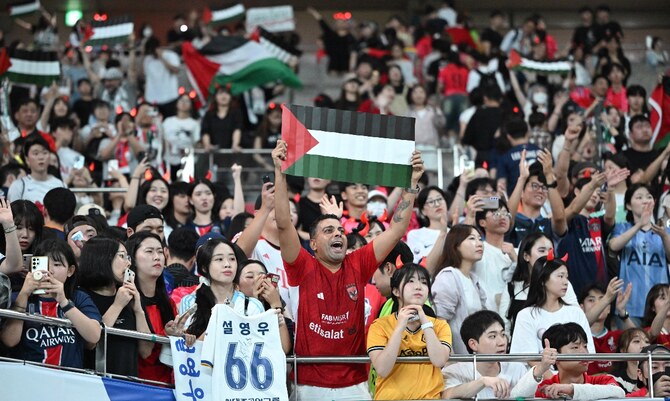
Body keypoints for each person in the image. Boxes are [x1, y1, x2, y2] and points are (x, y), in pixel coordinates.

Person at [272, 139, 424, 399]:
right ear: (314, 244)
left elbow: (397, 229)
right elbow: (284, 224)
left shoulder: (358, 263)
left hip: (355, 384)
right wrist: (279, 170)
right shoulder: (302, 265)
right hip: (309, 383)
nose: (339, 235)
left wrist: (411, 185)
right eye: (329, 231)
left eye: (341, 230)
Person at [1, 239, 101, 368]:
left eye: (57, 264)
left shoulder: (78, 298)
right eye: (44, 264)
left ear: (70, 271)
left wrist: (64, 302)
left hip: (69, 380)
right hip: (28, 378)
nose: (50, 271)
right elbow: (10, 341)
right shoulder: (18, 297)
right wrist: (24, 294)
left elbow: (93, 336)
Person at [367, 264, 451, 400]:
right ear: (395, 291)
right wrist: (400, 327)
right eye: (410, 281)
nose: (418, 286)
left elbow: (439, 360)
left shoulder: (440, 326)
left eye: (424, 282)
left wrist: (424, 320)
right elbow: (382, 369)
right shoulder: (379, 326)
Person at [76, 237, 152, 376]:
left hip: (127, 385)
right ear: (102, 258)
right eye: (122, 256)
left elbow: (146, 352)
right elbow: (90, 343)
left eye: (128, 257)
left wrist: (138, 310)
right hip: (94, 385)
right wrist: (117, 305)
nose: (128, 263)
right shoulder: (80, 296)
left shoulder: (130, 295)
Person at [443, 310, 557, 399]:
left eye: (503, 334)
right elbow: (447, 395)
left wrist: (541, 368)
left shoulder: (516, 368)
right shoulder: (455, 371)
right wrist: (483, 381)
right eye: (492, 336)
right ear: (473, 344)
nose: (502, 342)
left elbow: (520, 395)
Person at [510, 251, 596, 358]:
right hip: (541, 374)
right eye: (560, 276)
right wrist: (553, 375)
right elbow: (529, 358)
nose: (566, 282)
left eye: (566, 277)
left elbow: (589, 352)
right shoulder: (526, 316)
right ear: (542, 280)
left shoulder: (576, 313)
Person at [609, 183, 670, 323]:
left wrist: (665, 236)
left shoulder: (664, 231)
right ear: (629, 206)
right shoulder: (622, 227)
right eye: (639, 197)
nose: (645, 200)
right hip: (629, 305)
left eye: (649, 197)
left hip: (661, 306)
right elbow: (613, 245)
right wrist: (639, 225)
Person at [126, 232, 175, 384]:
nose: (157, 257)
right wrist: (165, 334)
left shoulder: (169, 303)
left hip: (168, 384)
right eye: (149, 251)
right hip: (137, 384)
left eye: (160, 251)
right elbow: (145, 352)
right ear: (132, 258)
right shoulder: (126, 299)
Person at [432, 224, 488, 353]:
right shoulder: (449, 276)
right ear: (455, 245)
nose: (479, 243)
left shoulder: (474, 280)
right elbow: (439, 322)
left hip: (472, 359)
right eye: (472, 238)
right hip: (455, 359)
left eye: (480, 239)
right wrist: (448, 359)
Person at [535, 323, 625, 399]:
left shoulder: (602, 380)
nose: (584, 352)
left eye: (585, 346)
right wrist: (540, 369)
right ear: (555, 354)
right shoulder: (546, 387)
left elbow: (619, 392)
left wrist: (572, 389)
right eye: (575, 347)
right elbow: (522, 394)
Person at [235, 259, 292, 354]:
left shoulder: (277, 310)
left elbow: (284, 349)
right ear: (236, 287)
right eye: (250, 276)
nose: (259, 280)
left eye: (262, 276)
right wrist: (254, 303)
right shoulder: (232, 312)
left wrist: (276, 304)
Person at [579, 279, 635, 375]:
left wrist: (622, 312)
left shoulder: (617, 336)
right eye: (591, 300)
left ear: (609, 308)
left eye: (602, 299)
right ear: (581, 307)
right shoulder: (576, 337)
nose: (598, 304)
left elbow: (638, 338)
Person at [473, 198, 516, 310]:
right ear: (482, 222)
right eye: (496, 212)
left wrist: (516, 259)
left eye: (505, 213)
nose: (502, 216)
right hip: (485, 313)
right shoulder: (477, 249)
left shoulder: (515, 252)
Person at [7, 134, 66, 204]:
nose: (41, 157)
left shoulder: (61, 185)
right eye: (36, 153)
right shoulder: (18, 186)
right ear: (27, 159)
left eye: (45, 153)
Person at [163, 93, 200, 181]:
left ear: (191, 105)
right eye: (181, 100)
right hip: (168, 159)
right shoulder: (168, 121)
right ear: (176, 103)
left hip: (187, 160)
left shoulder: (194, 124)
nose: (184, 103)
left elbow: (197, 142)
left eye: (187, 101)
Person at [610, 328, 650, 393]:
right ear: (623, 350)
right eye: (637, 341)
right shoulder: (614, 379)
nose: (644, 346)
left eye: (647, 342)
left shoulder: (659, 375)